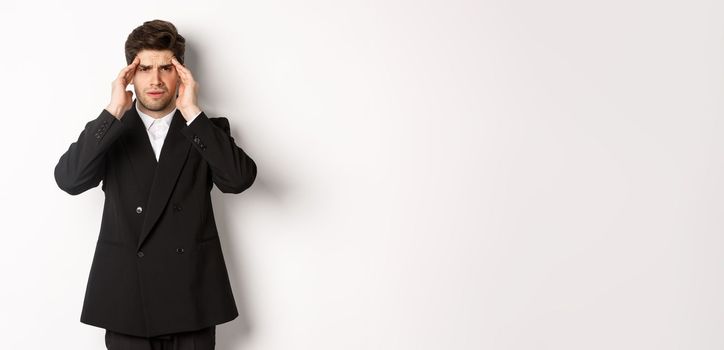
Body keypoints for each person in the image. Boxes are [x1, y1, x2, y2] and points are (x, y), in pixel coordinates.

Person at [54, 19, 257, 350]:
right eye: (145, 68)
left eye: (166, 68)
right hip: (127, 300)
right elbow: (69, 180)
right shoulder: (109, 130)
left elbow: (239, 180)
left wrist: (192, 111)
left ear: (181, 74)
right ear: (130, 75)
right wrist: (114, 109)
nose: (156, 79)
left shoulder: (206, 128)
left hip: (191, 297)